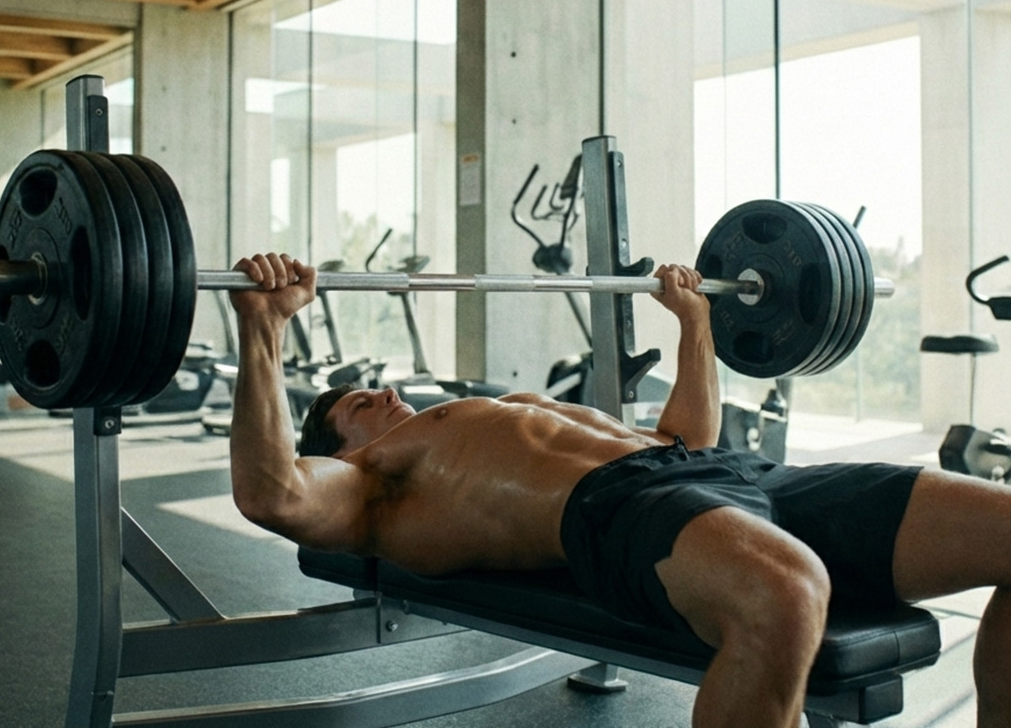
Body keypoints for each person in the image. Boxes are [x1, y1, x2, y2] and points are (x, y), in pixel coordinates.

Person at [228, 252, 1011, 728]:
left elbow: (686, 439)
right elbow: (274, 495)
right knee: (788, 591)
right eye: (357, 406)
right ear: (340, 448)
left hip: (731, 476)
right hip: (621, 511)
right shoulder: (376, 484)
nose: (384, 396)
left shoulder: (506, 408)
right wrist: (263, 327)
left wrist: (694, 323)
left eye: (378, 389)